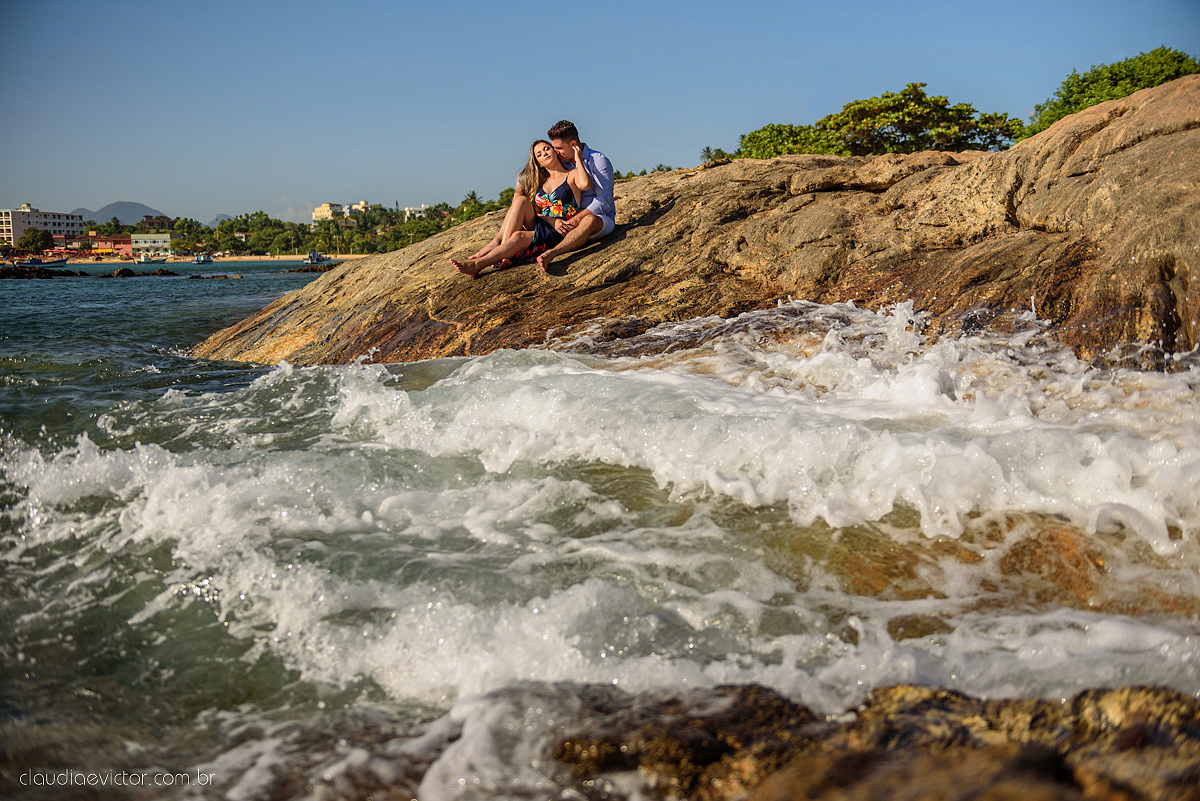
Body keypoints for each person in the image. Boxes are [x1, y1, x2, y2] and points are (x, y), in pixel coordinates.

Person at [451, 139, 590, 278]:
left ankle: (478, 264)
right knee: (521, 200)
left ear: (555, 150)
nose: (544, 154)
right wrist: (551, 220)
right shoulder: (541, 182)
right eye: (539, 154)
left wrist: (578, 159)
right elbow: (537, 213)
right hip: (545, 223)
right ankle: (503, 253)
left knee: (518, 236)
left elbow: (585, 184)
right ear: (538, 163)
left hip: (561, 229)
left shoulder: (571, 174)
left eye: (546, 149)